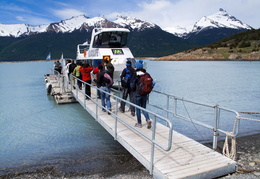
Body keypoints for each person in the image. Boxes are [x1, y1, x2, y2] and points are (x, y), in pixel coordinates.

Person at [131, 60, 152, 129]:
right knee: (143, 108)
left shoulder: (136, 74)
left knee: (138, 109)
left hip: (137, 94)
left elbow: (132, 85)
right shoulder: (147, 74)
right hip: (145, 94)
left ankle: (139, 123)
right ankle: (148, 119)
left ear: (136, 66)